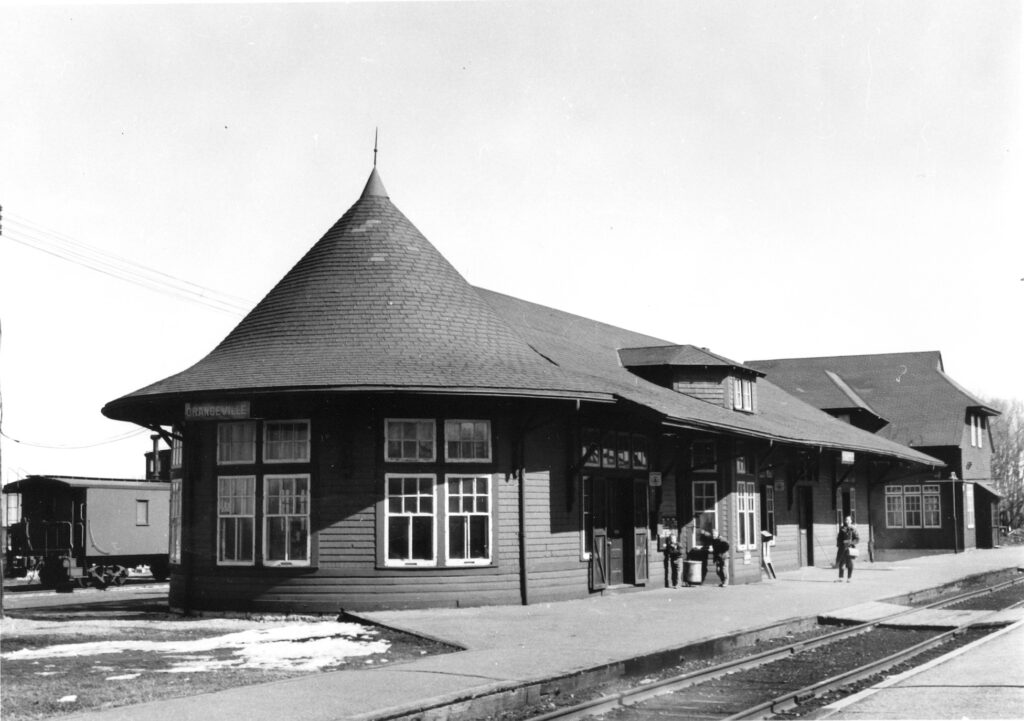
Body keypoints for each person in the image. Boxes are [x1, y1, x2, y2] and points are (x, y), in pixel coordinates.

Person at [836, 516, 859, 582]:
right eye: (846, 520)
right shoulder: (842, 529)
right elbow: (839, 538)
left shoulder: (853, 529)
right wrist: (841, 543)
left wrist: (851, 542)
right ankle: (841, 578)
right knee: (841, 563)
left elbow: (857, 539)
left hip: (850, 549)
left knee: (850, 564)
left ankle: (849, 578)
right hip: (842, 548)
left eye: (848, 520)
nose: (847, 521)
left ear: (851, 521)